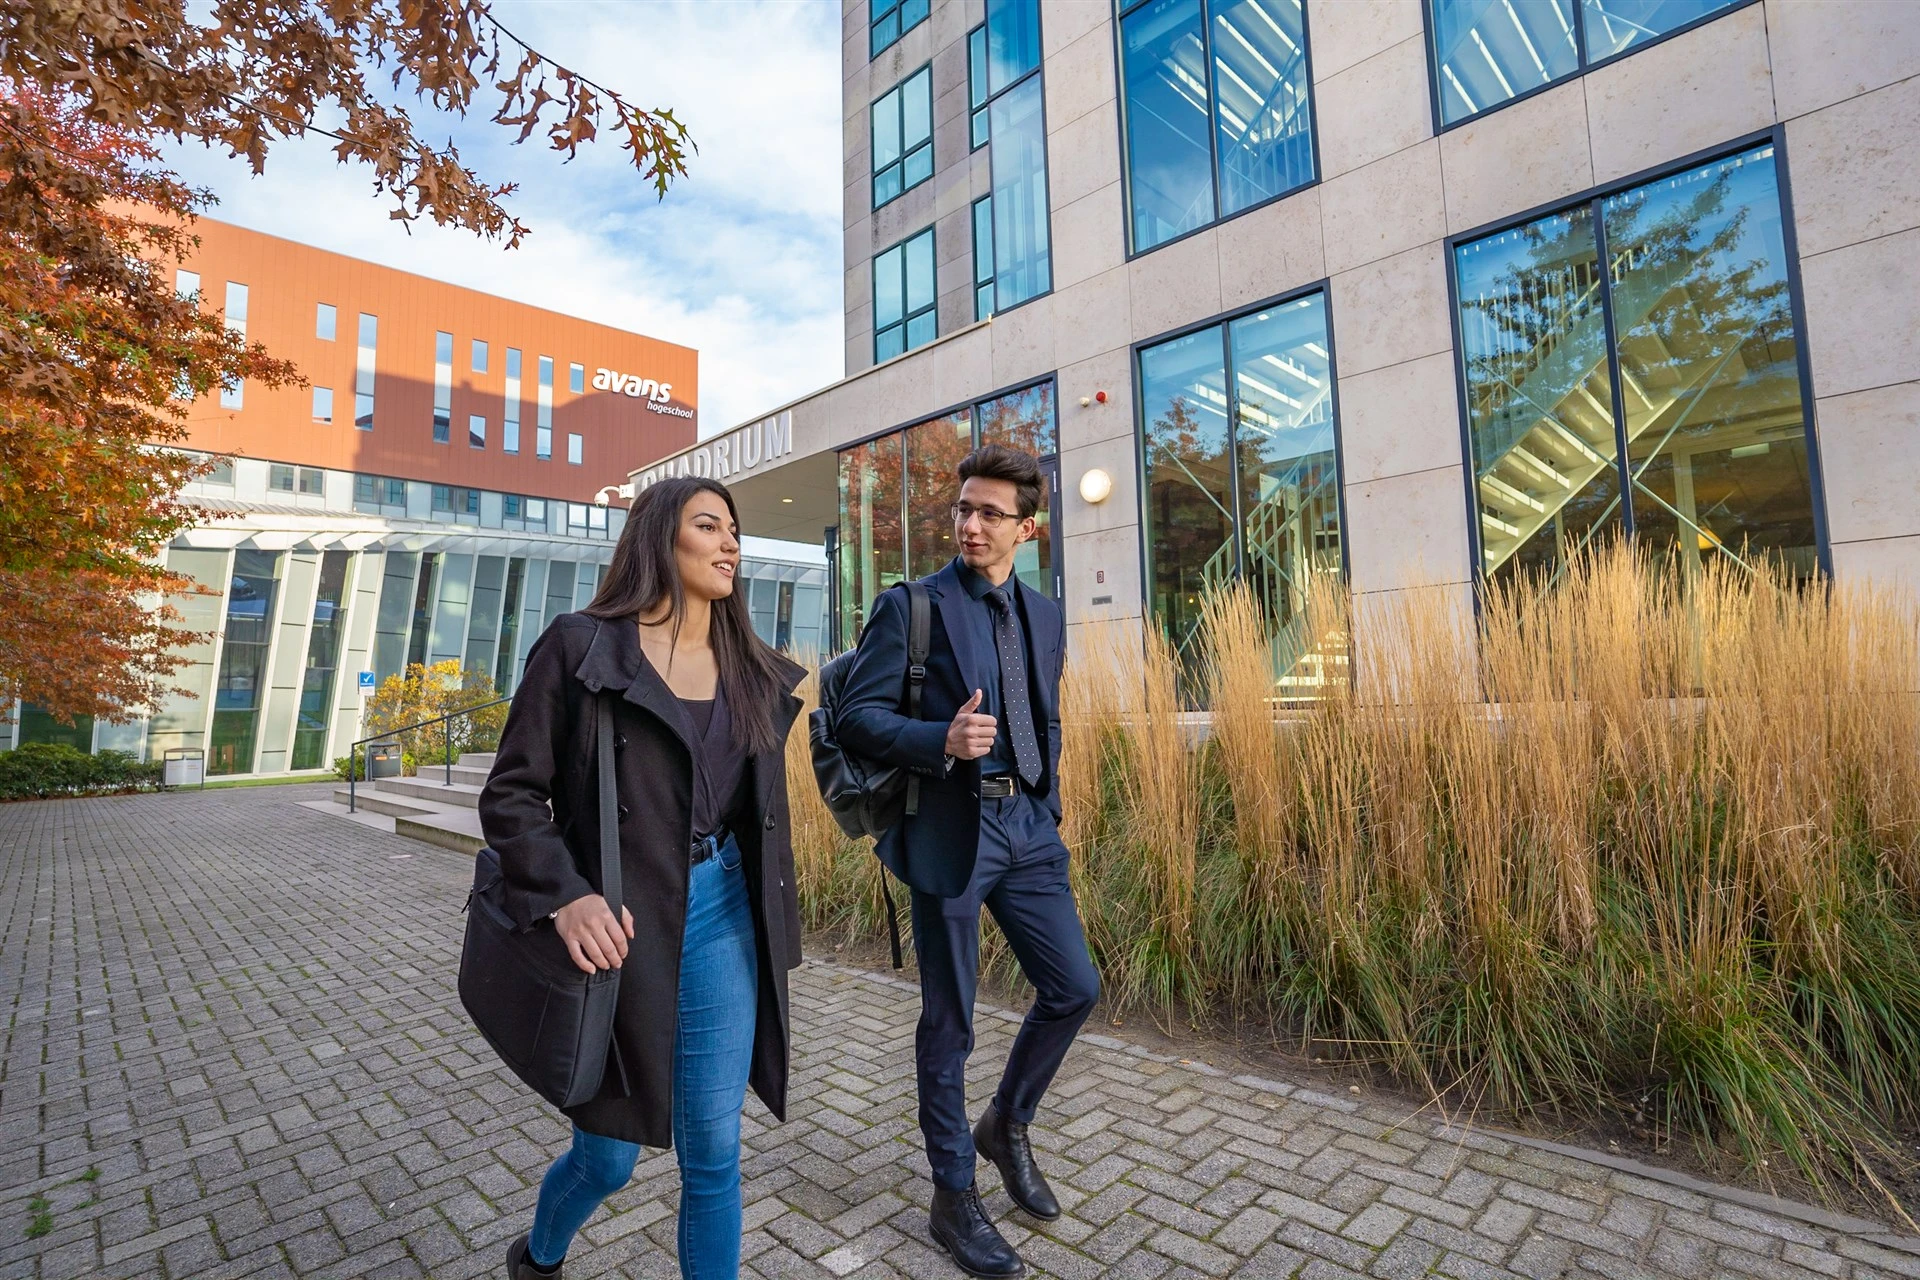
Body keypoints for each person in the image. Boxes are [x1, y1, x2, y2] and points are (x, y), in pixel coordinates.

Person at [478, 476, 807, 1280]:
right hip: (621, 928)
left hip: (722, 910)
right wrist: (565, 895)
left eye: (736, 530)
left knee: (713, 1151)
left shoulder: (751, 668)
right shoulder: (581, 647)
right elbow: (513, 794)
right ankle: (539, 1255)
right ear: (662, 537)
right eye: (710, 526)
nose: (732, 543)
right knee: (610, 1158)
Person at [836, 444, 1101, 1279]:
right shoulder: (911, 607)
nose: (971, 525)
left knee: (1075, 988)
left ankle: (1005, 1125)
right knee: (949, 1023)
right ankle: (953, 1196)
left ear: (1029, 526)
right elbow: (856, 719)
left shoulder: (1048, 614)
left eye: (991, 513)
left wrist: (1047, 804)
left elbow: (1045, 715)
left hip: (1026, 829)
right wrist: (938, 741)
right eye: (963, 510)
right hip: (950, 832)